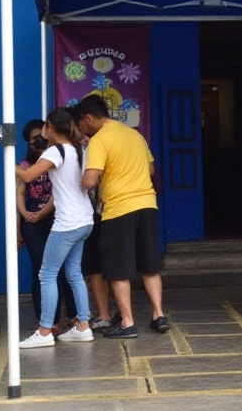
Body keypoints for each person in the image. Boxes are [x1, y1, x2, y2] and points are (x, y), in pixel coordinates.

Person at [74, 94, 169, 337]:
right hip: (147, 204)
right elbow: (150, 169)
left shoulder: (100, 140)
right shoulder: (134, 134)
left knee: (118, 268)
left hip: (119, 209)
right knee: (149, 265)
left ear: (89, 118)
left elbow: (89, 179)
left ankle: (127, 322)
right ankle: (158, 315)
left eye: (82, 126)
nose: (83, 131)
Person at [13, 108, 96, 348]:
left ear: (50, 127)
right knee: (74, 273)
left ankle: (45, 330)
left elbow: (28, 177)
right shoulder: (78, 149)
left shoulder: (55, 151)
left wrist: (9, 162)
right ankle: (83, 326)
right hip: (84, 220)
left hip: (67, 223)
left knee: (46, 273)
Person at [15, 120, 74, 331]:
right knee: (41, 269)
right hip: (33, 223)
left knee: (65, 269)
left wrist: (41, 213)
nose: (39, 142)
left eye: (41, 136)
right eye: (34, 140)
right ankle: (48, 320)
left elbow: (58, 194)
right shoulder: (25, 166)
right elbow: (20, 193)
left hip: (56, 219)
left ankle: (73, 316)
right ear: (28, 143)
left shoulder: (56, 158)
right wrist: (24, 219)